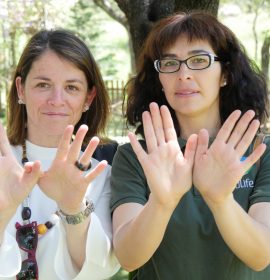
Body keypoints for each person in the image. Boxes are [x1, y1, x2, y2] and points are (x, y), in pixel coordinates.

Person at [110, 11, 270, 280]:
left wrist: (220, 201)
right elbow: (128, 257)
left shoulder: (261, 152)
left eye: (198, 60)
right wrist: (162, 202)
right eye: (170, 63)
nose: (183, 74)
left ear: (225, 74)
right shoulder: (136, 157)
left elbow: (261, 256)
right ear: (159, 78)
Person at [0, 29, 120, 279]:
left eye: (71, 87)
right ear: (21, 89)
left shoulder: (100, 173)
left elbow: (99, 269)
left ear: (89, 96)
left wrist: (73, 206)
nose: (56, 100)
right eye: (43, 85)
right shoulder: (4, 165)